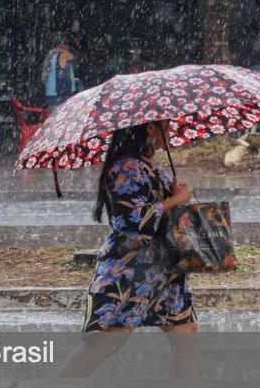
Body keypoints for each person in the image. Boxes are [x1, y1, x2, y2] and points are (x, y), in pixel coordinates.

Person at [58, 120, 201, 380]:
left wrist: (174, 194)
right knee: (106, 341)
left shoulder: (151, 166)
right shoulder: (126, 168)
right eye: (166, 125)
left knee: (186, 335)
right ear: (150, 128)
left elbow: (162, 213)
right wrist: (175, 200)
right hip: (130, 270)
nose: (170, 130)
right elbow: (132, 222)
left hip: (163, 270)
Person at [41, 37, 78, 108]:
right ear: (62, 45)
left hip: (51, 93)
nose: (68, 47)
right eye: (67, 45)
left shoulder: (51, 55)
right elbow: (73, 56)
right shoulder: (62, 55)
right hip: (60, 94)